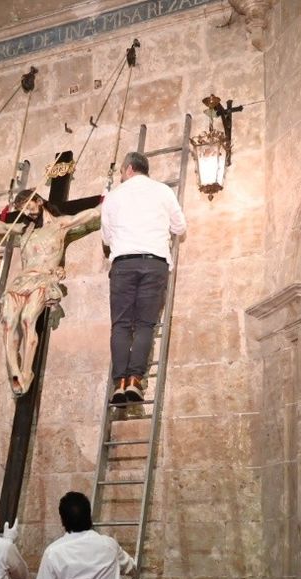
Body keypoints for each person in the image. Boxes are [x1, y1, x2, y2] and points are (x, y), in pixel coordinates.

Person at [0, 191, 101, 396]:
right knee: (8, 320)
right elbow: (3, 227)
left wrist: (107, 203)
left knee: (28, 318)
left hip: (43, 277)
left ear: (39, 201)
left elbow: (90, 215)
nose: (27, 213)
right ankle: (14, 370)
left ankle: (26, 371)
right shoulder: (25, 230)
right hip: (22, 280)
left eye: (29, 206)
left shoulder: (60, 224)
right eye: (22, 210)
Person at [99, 150, 187, 407]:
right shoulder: (164, 191)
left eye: (121, 174)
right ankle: (136, 380)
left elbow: (105, 237)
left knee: (122, 325)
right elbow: (180, 228)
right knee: (145, 325)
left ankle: (119, 384)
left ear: (127, 169)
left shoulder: (113, 197)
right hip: (154, 263)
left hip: (124, 264)